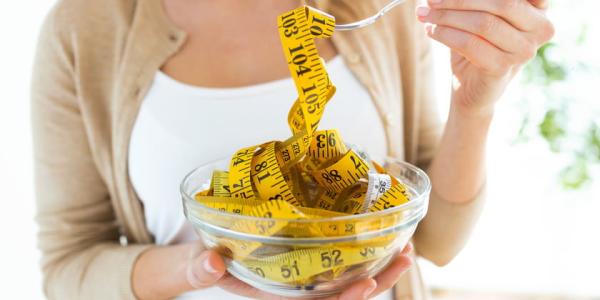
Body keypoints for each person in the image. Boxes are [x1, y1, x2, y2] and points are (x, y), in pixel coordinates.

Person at [31, 0, 553, 299]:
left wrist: (474, 103)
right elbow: (66, 266)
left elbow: (436, 239)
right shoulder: (84, 27)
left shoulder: (378, 9)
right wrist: (197, 268)